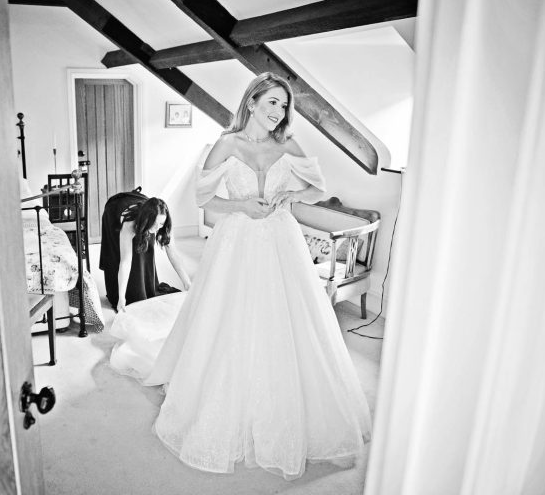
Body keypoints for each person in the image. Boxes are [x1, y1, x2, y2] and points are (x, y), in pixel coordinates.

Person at [112, 72, 372, 480]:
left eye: (284, 105)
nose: (279, 112)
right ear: (251, 102)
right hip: (236, 240)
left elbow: (318, 189)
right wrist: (240, 208)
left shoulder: (289, 144)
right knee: (228, 318)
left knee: (289, 321)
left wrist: (291, 194)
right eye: (272, 102)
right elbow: (203, 198)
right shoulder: (226, 145)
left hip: (282, 240)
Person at [99, 189, 191, 313]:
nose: (157, 228)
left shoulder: (163, 223)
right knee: (121, 253)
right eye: (154, 223)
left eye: (161, 224)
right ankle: (119, 291)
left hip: (141, 201)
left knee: (146, 245)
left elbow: (173, 253)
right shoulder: (130, 225)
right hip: (115, 208)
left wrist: (187, 282)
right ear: (148, 220)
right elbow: (125, 262)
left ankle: (145, 284)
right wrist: (121, 297)